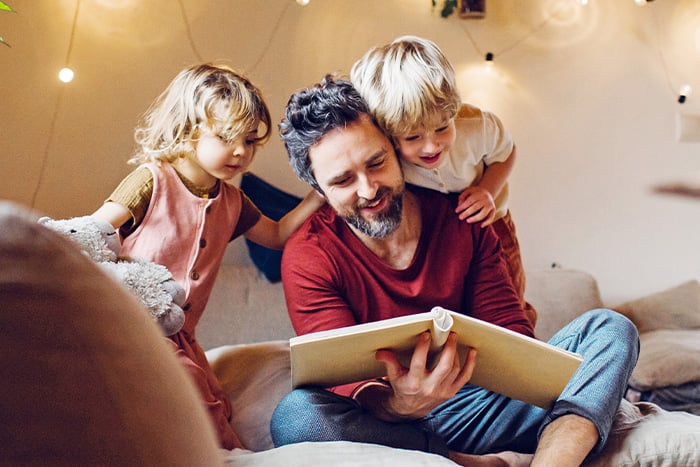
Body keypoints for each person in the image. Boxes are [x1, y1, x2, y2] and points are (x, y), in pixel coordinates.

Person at [270, 76, 639, 467]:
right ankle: (469, 463)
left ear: (395, 148)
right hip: (387, 422)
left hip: (479, 402)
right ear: (318, 189)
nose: (368, 190)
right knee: (296, 416)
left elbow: (509, 328)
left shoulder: (462, 219)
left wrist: (523, 370)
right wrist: (399, 403)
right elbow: (342, 377)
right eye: (343, 180)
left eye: (376, 163)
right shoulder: (308, 255)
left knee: (610, 329)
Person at [91, 63, 323, 450]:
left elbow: (278, 235)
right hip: (133, 323)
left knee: (214, 402)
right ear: (188, 129)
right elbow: (92, 231)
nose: (240, 151)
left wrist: (318, 195)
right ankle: (226, 456)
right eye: (227, 137)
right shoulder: (153, 180)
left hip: (183, 335)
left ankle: (218, 451)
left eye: (250, 141)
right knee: (188, 387)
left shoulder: (232, 201)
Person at [350, 35, 537, 328]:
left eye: (441, 128)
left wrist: (488, 191)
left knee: (511, 299)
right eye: (413, 137)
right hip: (437, 233)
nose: (431, 147)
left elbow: (506, 154)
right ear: (389, 134)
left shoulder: (478, 126)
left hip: (490, 220)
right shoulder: (385, 152)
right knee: (459, 306)